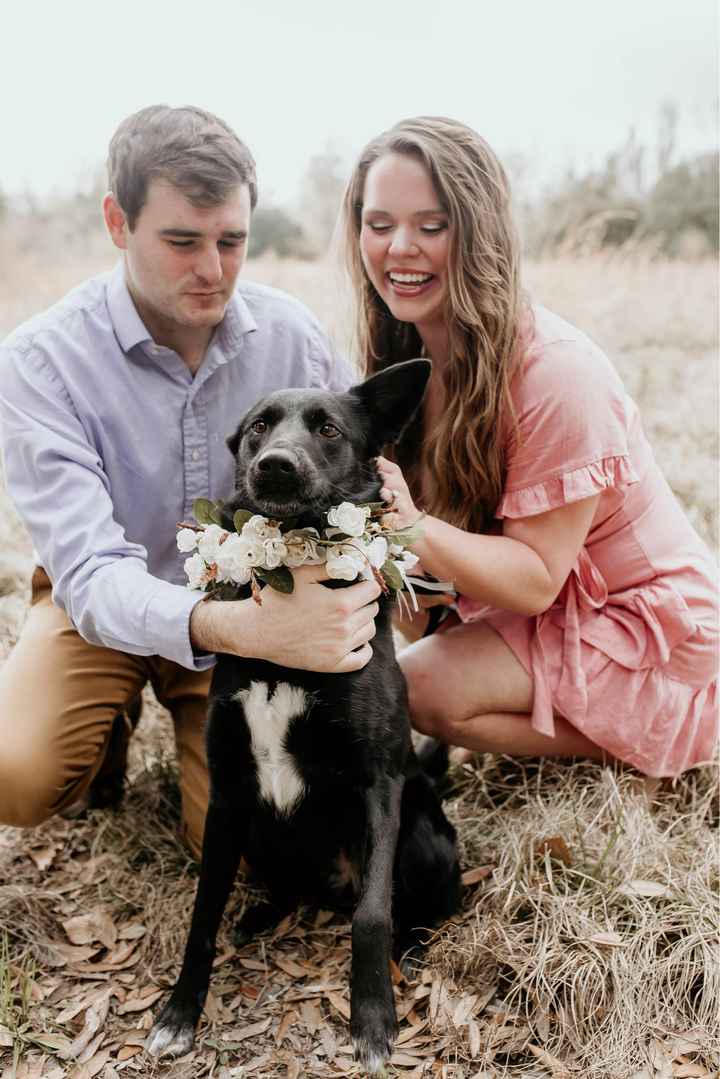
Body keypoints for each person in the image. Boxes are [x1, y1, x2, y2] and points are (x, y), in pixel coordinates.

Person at [0, 105, 381, 858]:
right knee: (15, 772)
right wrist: (233, 626)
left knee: (242, 846)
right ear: (117, 221)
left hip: (251, 605)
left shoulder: (293, 335)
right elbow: (89, 568)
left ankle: (189, 728)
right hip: (99, 607)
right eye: (181, 242)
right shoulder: (40, 360)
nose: (213, 270)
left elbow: (364, 474)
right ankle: (101, 722)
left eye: (231, 241)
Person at [341, 115, 718, 777]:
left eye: (433, 226)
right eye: (379, 225)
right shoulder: (405, 353)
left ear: (478, 231)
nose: (400, 246)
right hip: (538, 608)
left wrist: (409, 526)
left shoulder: (558, 372)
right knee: (395, 623)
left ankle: (675, 727)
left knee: (418, 685)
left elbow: (538, 579)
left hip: (647, 628)